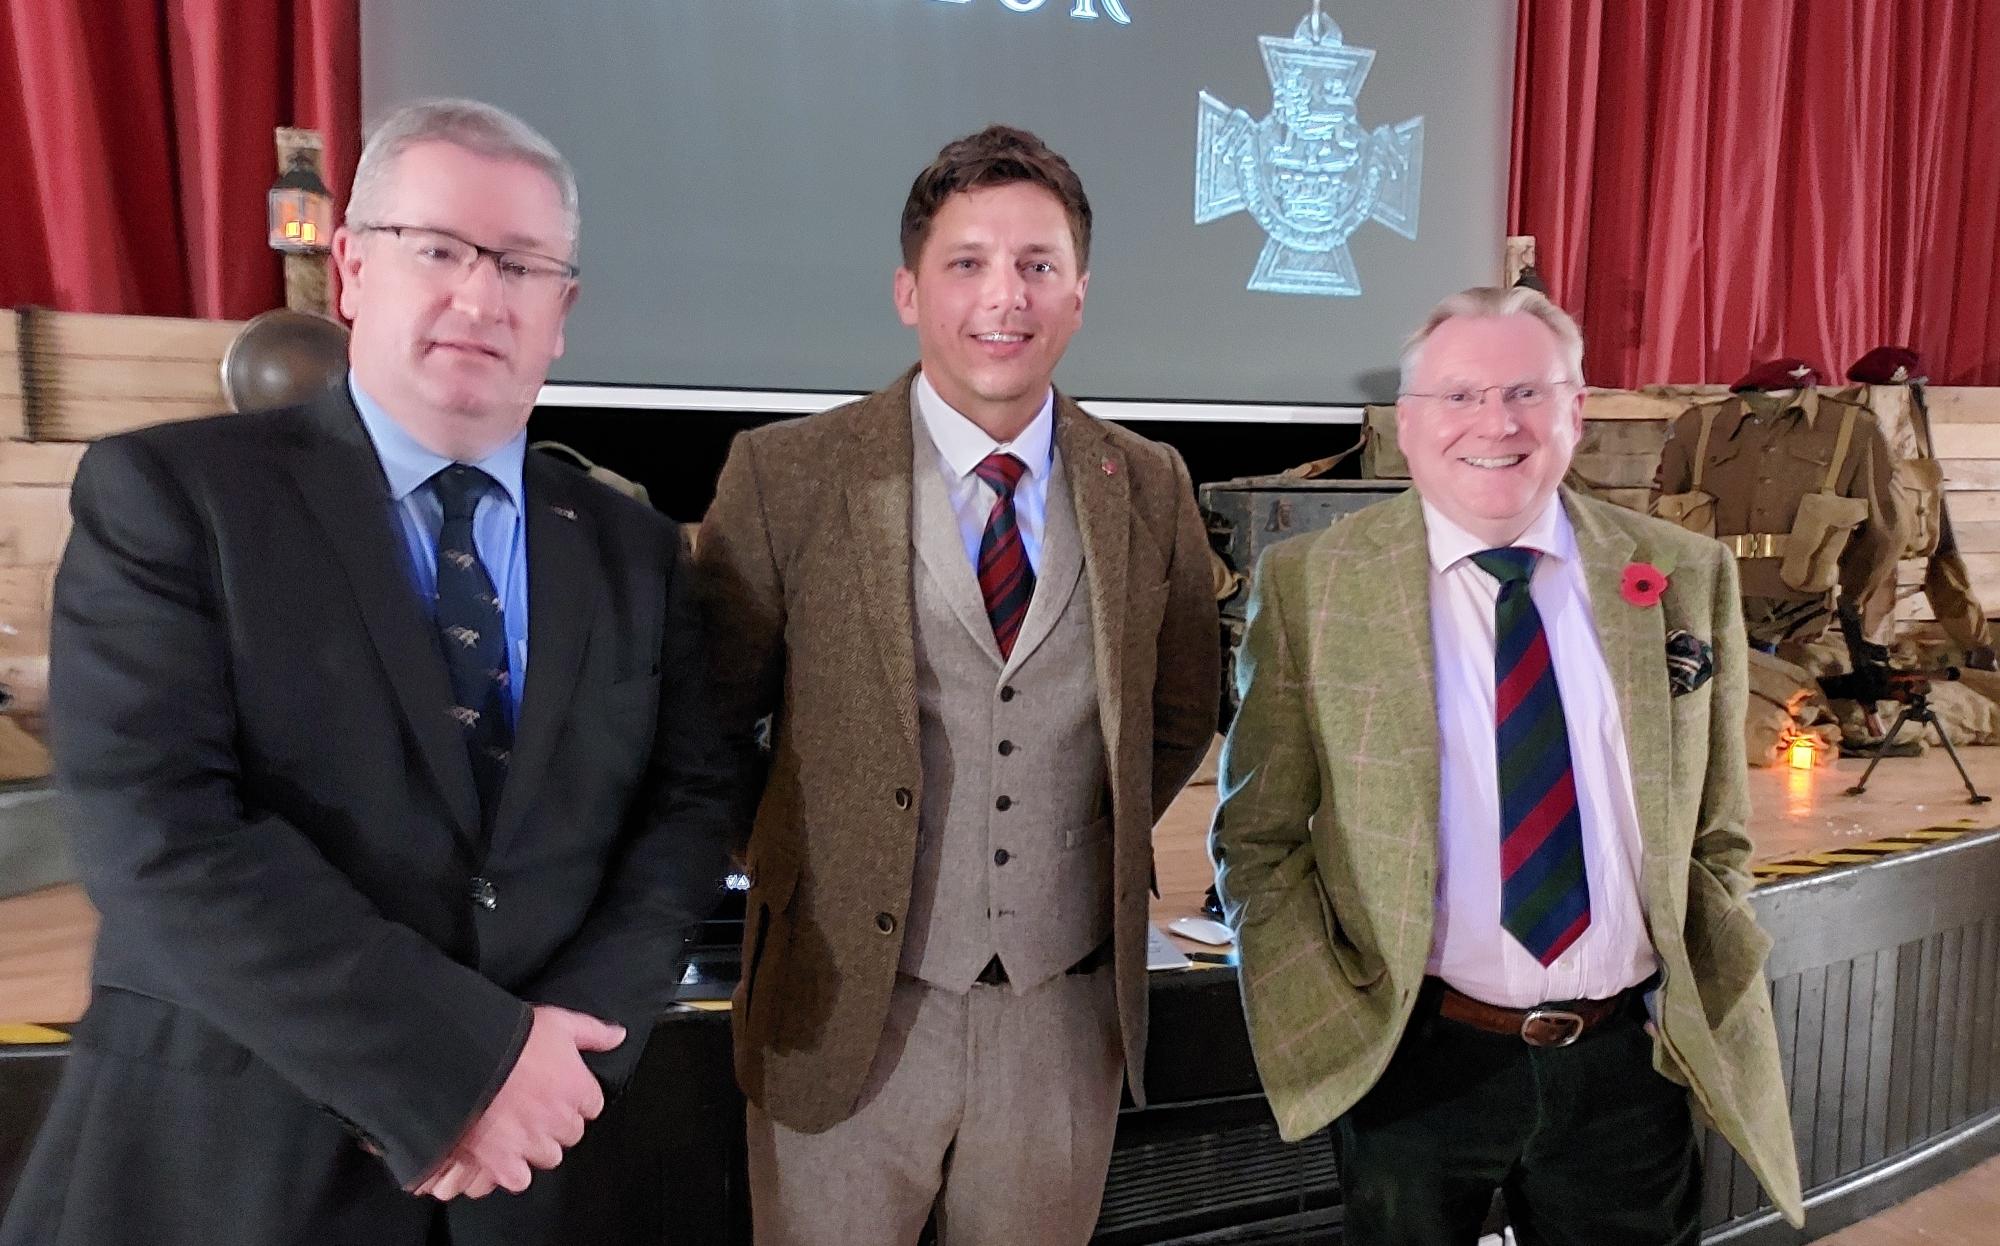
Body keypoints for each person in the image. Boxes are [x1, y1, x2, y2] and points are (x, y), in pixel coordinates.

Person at [0, 99, 735, 1246]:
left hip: (540, 1173)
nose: (480, 296)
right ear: (348, 269)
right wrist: (465, 1070)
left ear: (563, 312)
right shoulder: (175, 499)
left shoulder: (633, 548)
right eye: (436, 249)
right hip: (228, 1170)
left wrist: (565, 1049)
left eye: (522, 266)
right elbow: (161, 831)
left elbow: (682, 815)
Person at [697, 124, 1219, 1245]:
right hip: (841, 1012)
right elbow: (704, 727)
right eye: (967, 263)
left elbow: (1174, 714)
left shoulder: (1153, 485)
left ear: (1078, 294)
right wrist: (802, 862)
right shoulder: (785, 474)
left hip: (1060, 1016)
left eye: (1037, 265)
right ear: (907, 290)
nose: (1004, 296)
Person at [1212, 287, 1803, 1243]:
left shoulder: (1683, 573)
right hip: (1411, 1060)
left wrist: (1684, 1004)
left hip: (1627, 1066)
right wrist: (1320, 1007)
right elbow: (1259, 834)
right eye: (1459, 396)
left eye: (1529, 392)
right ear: (1406, 426)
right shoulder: (1315, 584)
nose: (1497, 422)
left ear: (1576, 409)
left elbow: (1717, 833)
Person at [1652, 358, 1902, 656]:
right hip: (1709, 601)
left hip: (1796, 613)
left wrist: (1852, 596)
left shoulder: (1855, 428)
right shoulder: (1697, 426)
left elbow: (1884, 530)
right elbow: (1660, 516)